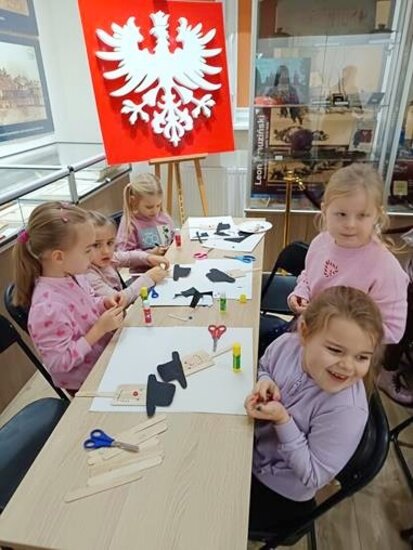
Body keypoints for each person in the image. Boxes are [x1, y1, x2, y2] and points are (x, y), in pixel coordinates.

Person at [246, 286, 384, 532]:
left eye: (362, 357)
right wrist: (264, 380)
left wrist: (283, 420)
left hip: (276, 492)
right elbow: (264, 366)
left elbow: (314, 475)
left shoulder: (346, 411)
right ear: (304, 332)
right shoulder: (286, 345)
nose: (347, 366)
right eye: (335, 350)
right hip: (249, 447)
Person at [288, 163, 409, 345]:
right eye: (341, 214)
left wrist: (334, 328)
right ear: (325, 210)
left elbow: (393, 330)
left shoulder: (386, 268)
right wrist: (301, 293)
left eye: (362, 215)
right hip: (308, 335)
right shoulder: (321, 242)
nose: (350, 224)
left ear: (377, 215)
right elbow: (309, 275)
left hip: (343, 353)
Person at [12, 201, 124, 392]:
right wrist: (99, 329)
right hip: (86, 383)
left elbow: (87, 305)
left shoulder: (75, 275)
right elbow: (59, 363)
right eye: (87, 250)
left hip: (104, 358)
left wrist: (103, 303)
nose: (92, 256)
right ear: (58, 257)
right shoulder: (47, 308)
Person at [86, 211, 168, 306]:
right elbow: (117, 300)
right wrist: (148, 278)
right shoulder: (88, 275)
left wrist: (149, 258)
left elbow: (129, 257)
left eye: (109, 243)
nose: (106, 251)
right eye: (96, 245)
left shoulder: (107, 258)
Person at [116, 173, 175, 270]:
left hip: (167, 266)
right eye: (149, 207)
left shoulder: (163, 217)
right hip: (143, 272)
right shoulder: (130, 223)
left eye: (158, 205)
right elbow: (123, 256)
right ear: (134, 201)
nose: (155, 211)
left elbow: (172, 236)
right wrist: (151, 254)